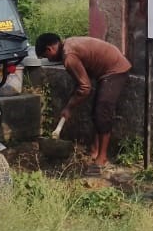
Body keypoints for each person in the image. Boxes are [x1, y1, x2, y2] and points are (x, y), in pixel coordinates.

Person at [35, 33, 132, 171]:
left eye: (46, 56)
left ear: (49, 49)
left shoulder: (69, 57)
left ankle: (102, 158)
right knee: (96, 112)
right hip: (108, 69)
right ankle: (95, 150)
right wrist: (71, 101)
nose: (49, 60)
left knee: (102, 112)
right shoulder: (68, 45)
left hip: (116, 70)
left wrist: (69, 107)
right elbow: (81, 82)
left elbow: (85, 87)